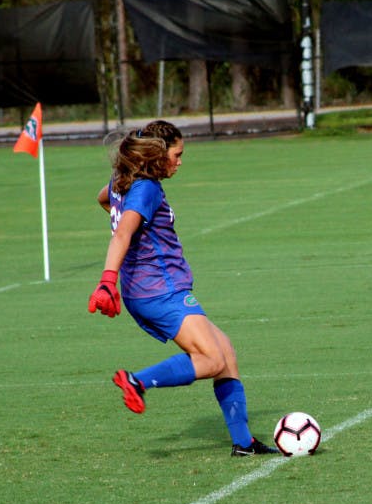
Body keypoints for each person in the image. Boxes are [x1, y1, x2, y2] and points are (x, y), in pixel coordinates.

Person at [88, 120, 278, 456]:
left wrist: (129, 232)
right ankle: (138, 381)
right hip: (161, 291)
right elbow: (121, 234)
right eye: (177, 154)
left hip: (152, 289)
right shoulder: (145, 188)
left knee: (225, 351)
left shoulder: (122, 182)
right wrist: (107, 280)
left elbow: (104, 200)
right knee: (212, 360)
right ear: (158, 156)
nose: (180, 161)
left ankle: (244, 442)